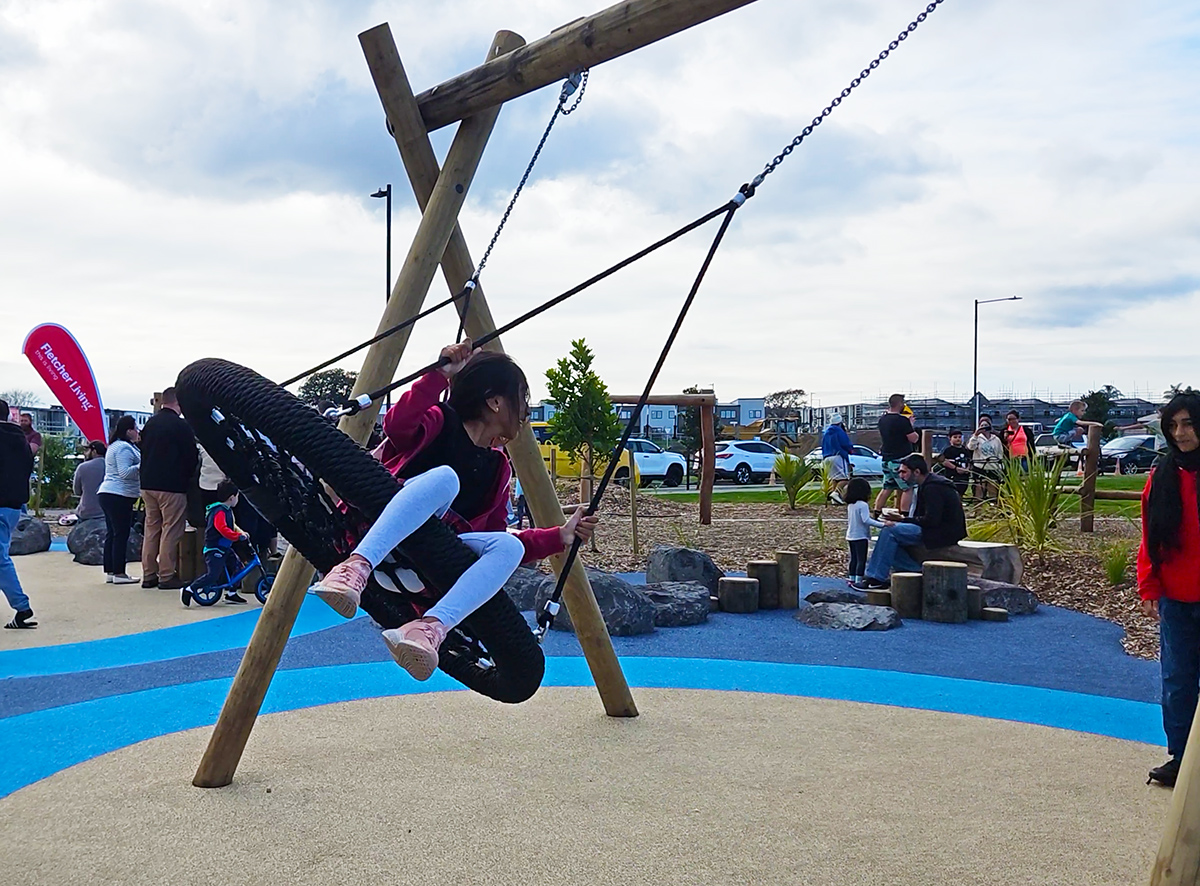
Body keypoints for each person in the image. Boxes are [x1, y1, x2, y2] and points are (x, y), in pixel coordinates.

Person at [308, 340, 599, 681]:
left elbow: (491, 537)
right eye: (522, 400)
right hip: (374, 533)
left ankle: (430, 628)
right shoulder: (439, 420)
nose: (525, 413)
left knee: (509, 545)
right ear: (495, 401)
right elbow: (397, 425)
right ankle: (355, 567)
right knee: (446, 480)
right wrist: (438, 376)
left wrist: (560, 536)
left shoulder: (498, 468)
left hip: (421, 574)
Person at [1138, 391, 1200, 787]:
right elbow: (1149, 537)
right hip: (1177, 597)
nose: (1180, 432)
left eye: (1189, 423)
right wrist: (1149, 586)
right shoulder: (1161, 478)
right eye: (1173, 425)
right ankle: (1181, 756)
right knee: (1177, 679)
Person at [854, 454, 967, 590]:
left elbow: (932, 520)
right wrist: (902, 521)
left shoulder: (933, 488)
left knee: (889, 531)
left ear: (917, 472)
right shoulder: (926, 485)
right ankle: (916, 571)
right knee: (890, 538)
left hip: (943, 532)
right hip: (936, 529)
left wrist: (903, 520)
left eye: (904, 472)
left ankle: (876, 577)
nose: (901, 476)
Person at [138, 387, 199, 590]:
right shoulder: (180, 426)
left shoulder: (150, 423)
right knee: (171, 530)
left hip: (147, 484)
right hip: (171, 485)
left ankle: (148, 574)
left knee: (152, 529)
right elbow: (191, 456)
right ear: (178, 403)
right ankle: (166, 575)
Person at [181, 480, 249, 607]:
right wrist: (237, 537)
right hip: (215, 548)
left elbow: (232, 525)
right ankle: (190, 589)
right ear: (232, 497)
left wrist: (241, 532)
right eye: (238, 496)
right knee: (213, 575)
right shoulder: (219, 511)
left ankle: (231, 592)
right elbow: (222, 529)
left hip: (224, 547)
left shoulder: (227, 510)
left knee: (237, 566)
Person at [0, 400, 36, 629]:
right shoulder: (20, 440)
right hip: (13, 506)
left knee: (1, 560)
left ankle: (22, 606)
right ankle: (21, 606)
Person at [97, 416, 142, 584]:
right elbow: (125, 472)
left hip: (107, 493)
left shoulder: (114, 446)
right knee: (121, 534)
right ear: (128, 430)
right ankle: (119, 573)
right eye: (135, 429)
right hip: (119, 494)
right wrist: (143, 465)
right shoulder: (124, 448)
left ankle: (110, 570)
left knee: (112, 533)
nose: (137, 432)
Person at [874, 394, 918, 514]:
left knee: (887, 487)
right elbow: (913, 438)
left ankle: (877, 512)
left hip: (886, 458)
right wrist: (911, 425)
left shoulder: (882, 420)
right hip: (900, 459)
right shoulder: (902, 420)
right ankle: (904, 513)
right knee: (907, 488)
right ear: (899, 404)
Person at [844, 477, 886, 584]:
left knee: (854, 558)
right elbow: (866, 520)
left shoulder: (851, 505)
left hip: (850, 535)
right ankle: (859, 579)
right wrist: (883, 525)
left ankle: (852, 577)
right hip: (860, 536)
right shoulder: (863, 505)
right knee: (861, 559)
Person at [968, 420, 1005, 501]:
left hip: (993, 467)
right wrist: (976, 435)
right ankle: (978, 511)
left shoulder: (996, 439)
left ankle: (993, 510)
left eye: (986, 425)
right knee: (979, 491)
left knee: (993, 492)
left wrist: (1000, 467)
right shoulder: (977, 438)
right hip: (980, 467)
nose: (984, 427)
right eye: (982, 425)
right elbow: (971, 447)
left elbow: (1000, 453)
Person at [821, 413, 854, 504]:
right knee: (844, 479)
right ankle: (836, 493)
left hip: (827, 457)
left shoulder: (826, 432)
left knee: (834, 479)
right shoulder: (839, 431)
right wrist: (850, 449)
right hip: (838, 456)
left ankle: (834, 500)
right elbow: (845, 443)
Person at [72, 440, 107, 521]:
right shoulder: (111, 466)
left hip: (87, 512)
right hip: (106, 512)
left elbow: (77, 491)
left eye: (87, 450)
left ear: (94, 451)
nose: (85, 453)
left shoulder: (82, 467)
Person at [935, 430, 971, 498]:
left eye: (960, 437)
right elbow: (944, 461)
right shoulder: (948, 450)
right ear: (950, 439)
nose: (958, 439)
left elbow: (969, 461)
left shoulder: (965, 450)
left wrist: (967, 469)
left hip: (964, 477)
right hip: (952, 476)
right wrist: (955, 468)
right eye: (955, 437)